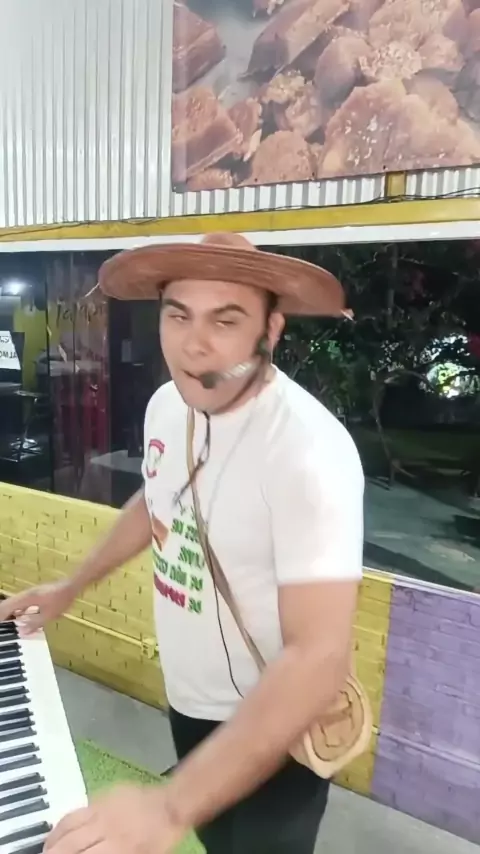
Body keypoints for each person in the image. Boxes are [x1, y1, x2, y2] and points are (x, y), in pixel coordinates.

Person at [0, 233, 365, 854]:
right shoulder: (169, 405)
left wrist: (168, 804)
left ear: (270, 331)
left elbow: (318, 656)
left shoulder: (309, 453)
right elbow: (157, 498)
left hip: (277, 725)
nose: (195, 344)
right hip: (190, 704)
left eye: (226, 321)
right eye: (178, 316)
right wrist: (71, 587)